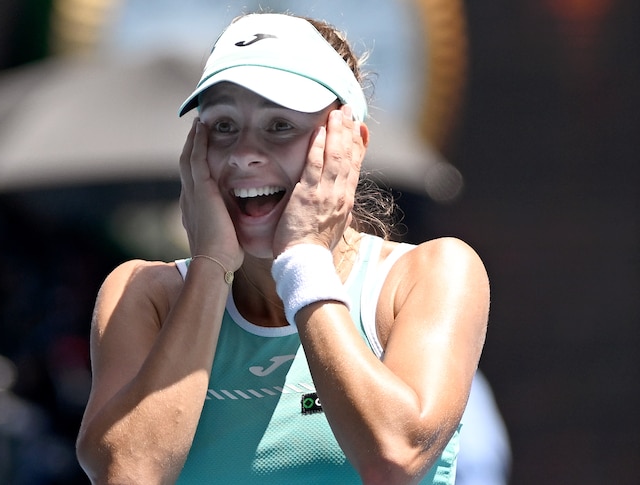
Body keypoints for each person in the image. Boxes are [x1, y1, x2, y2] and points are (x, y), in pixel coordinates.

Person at [76, 12, 489, 485]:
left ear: (349, 146)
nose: (243, 153)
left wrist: (303, 259)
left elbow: (394, 458)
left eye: (279, 125)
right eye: (224, 125)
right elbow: (126, 475)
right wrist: (211, 266)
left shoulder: (432, 273)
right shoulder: (142, 293)